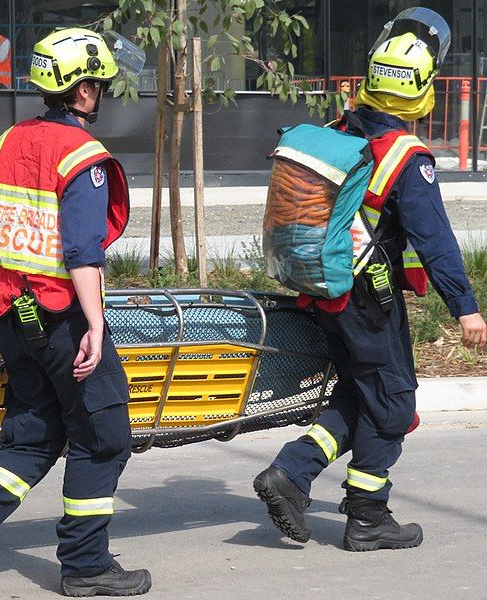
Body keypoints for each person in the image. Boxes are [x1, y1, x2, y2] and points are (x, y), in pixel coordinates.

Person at [0, 27, 151, 598]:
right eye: (98, 82)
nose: (100, 91)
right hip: (59, 321)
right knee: (104, 436)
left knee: (32, 438)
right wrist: (96, 325)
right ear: (84, 91)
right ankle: (85, 564)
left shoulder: (6, 142)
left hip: (11, 321)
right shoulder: (83, 156)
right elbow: (81, 251)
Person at [254, 7, 487, 552]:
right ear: (424, 90)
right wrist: (467, 309)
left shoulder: (340, 131)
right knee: (395, 403)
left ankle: (300, 476)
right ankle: (363, 515)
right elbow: (436, 242)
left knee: (365, 395)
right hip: (366, 301)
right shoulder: (405, 156)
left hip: (326, 291)